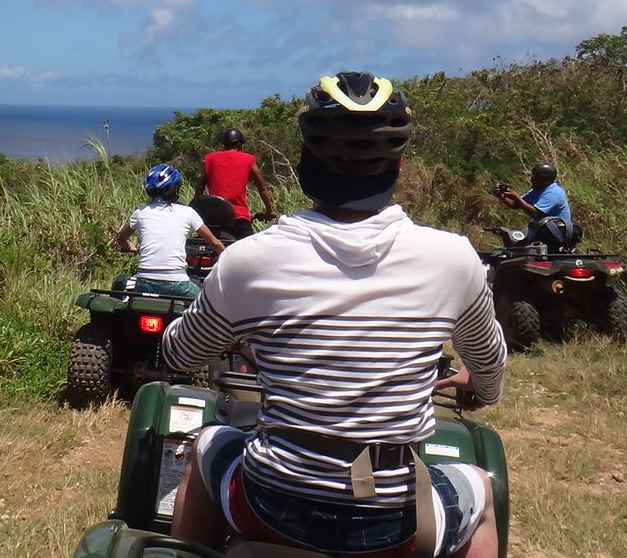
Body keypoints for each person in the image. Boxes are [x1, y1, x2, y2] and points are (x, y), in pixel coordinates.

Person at [161, 71, 507, 558]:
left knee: (208, 443)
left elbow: (181, 354)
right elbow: (488, 364)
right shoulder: (454, 259)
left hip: (271, 505)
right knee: (481, 486)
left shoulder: (247, 260)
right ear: (398, 163)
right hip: (390, 521)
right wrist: (482, 388)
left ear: (306, 159)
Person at [116, 163, 226, 299]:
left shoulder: (140, 213)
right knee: (206, 304)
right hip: (178, 283)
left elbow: (121, 238)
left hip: (144, 282)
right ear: (174, 189)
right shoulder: (188, 213)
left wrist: (129, 245)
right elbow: (214, 243)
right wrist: (226, 255)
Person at [194, 127, 276, 239]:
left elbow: (200, 187)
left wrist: (197, 210)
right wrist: (269, 211)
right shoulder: (248, 159)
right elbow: (262, 188)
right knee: (249, 248)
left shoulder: (210, 158)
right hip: (239, 217)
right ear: (238, 144)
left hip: (214, 218)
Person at [492, 161, 573, 246]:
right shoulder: (537, 190)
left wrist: (517, 197)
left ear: (545, 179)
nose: (532, 179)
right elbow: (515, 204)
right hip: (540, 231)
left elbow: (535, 213)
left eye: (536, 176)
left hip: (554, 235)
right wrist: (502, 196)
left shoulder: (554, 192)